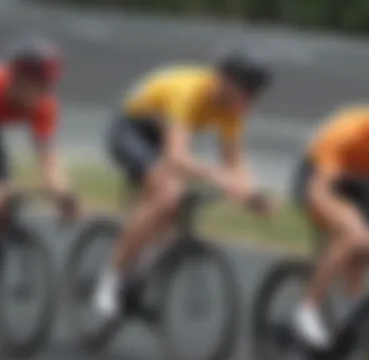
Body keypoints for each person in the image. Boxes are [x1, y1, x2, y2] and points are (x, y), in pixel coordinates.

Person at [94, 53, 275, 319]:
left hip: (159, 137)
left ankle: (141, 264)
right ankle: (110, 278)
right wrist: (218, 177)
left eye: (254, 94)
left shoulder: (233, 110)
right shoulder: (189, 91)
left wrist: (252, 194)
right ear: (223, 82)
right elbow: (177, 157)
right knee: (168, 195)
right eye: (246, 92)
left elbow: (235, 161)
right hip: (130, 130)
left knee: (173, 207)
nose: (249, 101)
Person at [0, 35, 78, 279]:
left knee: (2, 199)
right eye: (37, 84)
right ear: (15, 78)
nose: (42, 94)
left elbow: (48, 158)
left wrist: (63, 192)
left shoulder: (44, 105)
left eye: (47, 86)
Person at [293, 105, 369, 349]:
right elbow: (320, 191)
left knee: (364, 250)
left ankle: (352, 307)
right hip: (320, 179)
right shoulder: (347, 131)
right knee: (355, 234)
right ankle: (308, 308)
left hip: (360, 182)